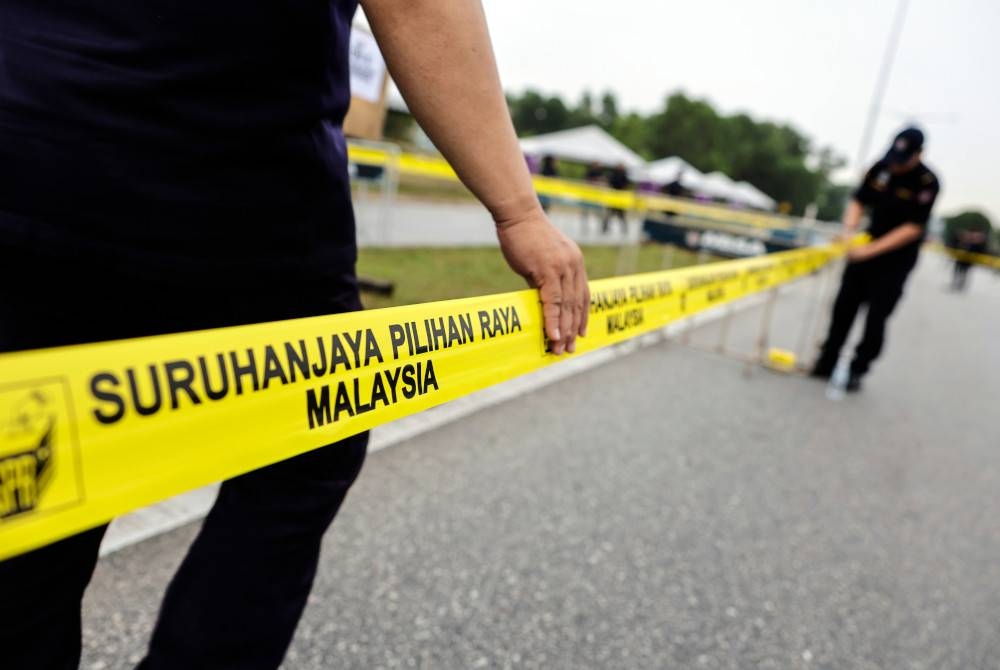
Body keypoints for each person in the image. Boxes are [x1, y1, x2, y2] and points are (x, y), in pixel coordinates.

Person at [0, 1, 589, 668]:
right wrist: (518, 211)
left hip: (28, 143)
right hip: (236, 186)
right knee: (317, 434)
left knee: (29, 493)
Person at [810, 127, 940, 392]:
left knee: (876, 317)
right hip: (865, 246)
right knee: (843, 307)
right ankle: (827, 360)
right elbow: (858, 201)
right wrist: (849, 231)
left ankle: (858, 369)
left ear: (919, 154)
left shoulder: (927, 182)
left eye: (903, 160)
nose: (896, 165)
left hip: (896, 259)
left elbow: (913, 228)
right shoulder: (880, 168)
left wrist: (869, 251)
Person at [602, 163, 631, 235]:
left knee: (622, 216)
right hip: (613, 198)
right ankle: (605, 228)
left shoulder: (624, 176)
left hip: (620, 199)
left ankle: (624, 229)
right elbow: (610, 184)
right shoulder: (613, 175)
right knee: (608, 214)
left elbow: (626, 186)